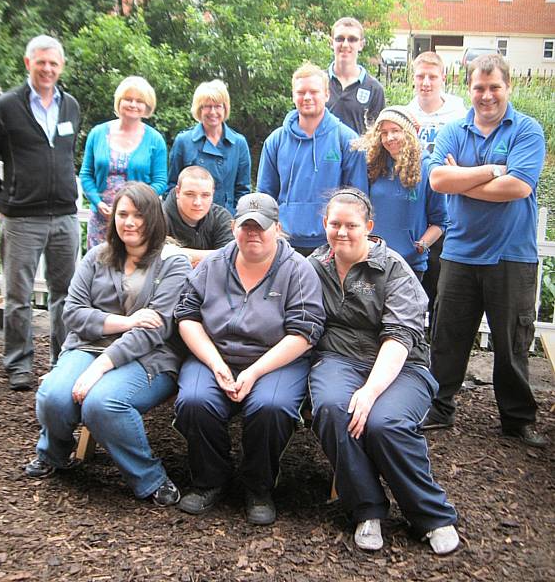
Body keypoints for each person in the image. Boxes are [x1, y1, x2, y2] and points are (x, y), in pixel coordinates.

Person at [309, 189, 459, 554]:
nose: (342, 232)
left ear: (369, 227)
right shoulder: (313, 267)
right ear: (324, 225)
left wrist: (370, 391)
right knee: (332, 408)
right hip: (338, 360)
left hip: (401, 365)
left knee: (382, 422)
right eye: (334, 224)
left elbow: (400, 336)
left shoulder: (393, 268)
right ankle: (367, 509)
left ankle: (431, 514)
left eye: (351, 225)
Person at [24, 183, 192, 504]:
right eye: (122, 214)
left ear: (154, 218)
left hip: (149, 356)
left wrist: (100, 367)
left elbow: (154, 329)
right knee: (53, 396)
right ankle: (54, 453)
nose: (129, 222)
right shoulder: (96, 257)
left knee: (103, 404)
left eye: (138, 215)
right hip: (88, 345)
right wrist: (126, 321)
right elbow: (72, 313)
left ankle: (150, 477)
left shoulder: (174, 263)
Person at [173, 193, 325, 525]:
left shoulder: (298, 270)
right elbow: (186, 314)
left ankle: (258, 485)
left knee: (271, 407)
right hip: (216, 353)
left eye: (262, 227)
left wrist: (255, 372)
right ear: (233, 228)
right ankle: (210, 479)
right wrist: (215, 363)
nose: (253, 234)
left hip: (276, 360)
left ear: (278, 229)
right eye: (246, 227)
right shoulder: (213, 265)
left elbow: (305, 332)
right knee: (195, 400)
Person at [426, 54, 547, 448]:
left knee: (511, 342)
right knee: (448, 336)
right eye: (479, 87)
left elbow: (519, 187)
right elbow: (438, 179)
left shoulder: (527, 130)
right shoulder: (454, 130)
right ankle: (440, 408)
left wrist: (464, 179)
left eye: (494, 87)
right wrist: (494, 170)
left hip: (512, 255)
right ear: (469, 88)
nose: (487, 95)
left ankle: (516, 419)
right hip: (460, 252)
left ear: (507, 87)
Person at [0, 35, 81, 391]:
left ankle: (63, 359)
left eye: (54, 63)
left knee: (66, 294)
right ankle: (19, 364)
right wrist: (1, 203)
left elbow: (65, 155)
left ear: (61, 66)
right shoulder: (3, 108)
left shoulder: (71, 107)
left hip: (66, 216)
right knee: (18, 296)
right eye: (41, 63)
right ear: (28, 64)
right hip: (22, 218)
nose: (48, 69)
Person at [257, 62, 368, 256]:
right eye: (301, 92)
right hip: (285, 242)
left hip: (331, 243)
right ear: (293, 96)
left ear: (326, 94)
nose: (307, 97)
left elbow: (357, 197)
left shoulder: (347, 140)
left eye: (314, 92)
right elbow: (265, 195)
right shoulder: (275, 140)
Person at [406, 52, 466, 325]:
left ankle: (435, 341)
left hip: (450, 208)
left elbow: (463, 159)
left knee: (444, 285)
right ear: (413, 79)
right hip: (416, 206)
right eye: (421, 76)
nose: (426, 82)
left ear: (443, 78)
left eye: (432, 76)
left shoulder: (459, 114)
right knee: (413, 285)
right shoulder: (406, 114)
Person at [79, 76, 168, 249]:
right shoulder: (97, 134)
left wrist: (137, 204)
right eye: (128, 99)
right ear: (119, 102)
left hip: (137, 219)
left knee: (133, 266)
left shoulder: (155, 140)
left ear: (147, 106)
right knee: (99, 267)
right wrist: (98, 203)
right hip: (101, 217)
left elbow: (160, 181)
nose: (133, 104)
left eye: (139, 101)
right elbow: (86, 175)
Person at [360, 106, 447, 279]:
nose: (389, 138)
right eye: (384, 133)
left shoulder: (427, 168)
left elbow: (441, 221)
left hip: (409, 265)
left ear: (408, 133)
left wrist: (421, 246)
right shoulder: (373, 166)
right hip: (372, 260)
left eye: (395, 131)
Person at [167, 79, 251, 214]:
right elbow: (172, 187)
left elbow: (243, 190)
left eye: (218, 106)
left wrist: (236, 220)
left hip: (226, 219)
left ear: (225, 108)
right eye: (207, 106)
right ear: (199, 109)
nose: (213, 112)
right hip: (190, 218)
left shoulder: (239, 143)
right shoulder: (183, 141)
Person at [162, 165, 233, 267]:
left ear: (212, 194)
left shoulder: (221, 217)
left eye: (205, 195)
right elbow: (155, 255)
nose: (197, 202)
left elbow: (230, 257)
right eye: (190, 194)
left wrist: (176, 253)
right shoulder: (158, 218)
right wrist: (212, 259)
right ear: (178, 192)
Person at [325, 17, 385, 135]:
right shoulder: (317, 82)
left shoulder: (374, 89)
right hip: (321, 153)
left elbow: (377, 135)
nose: (345, 44)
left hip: (358, 153)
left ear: (361, 44)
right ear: (331, 43)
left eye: (352, 39)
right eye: (340, 39)